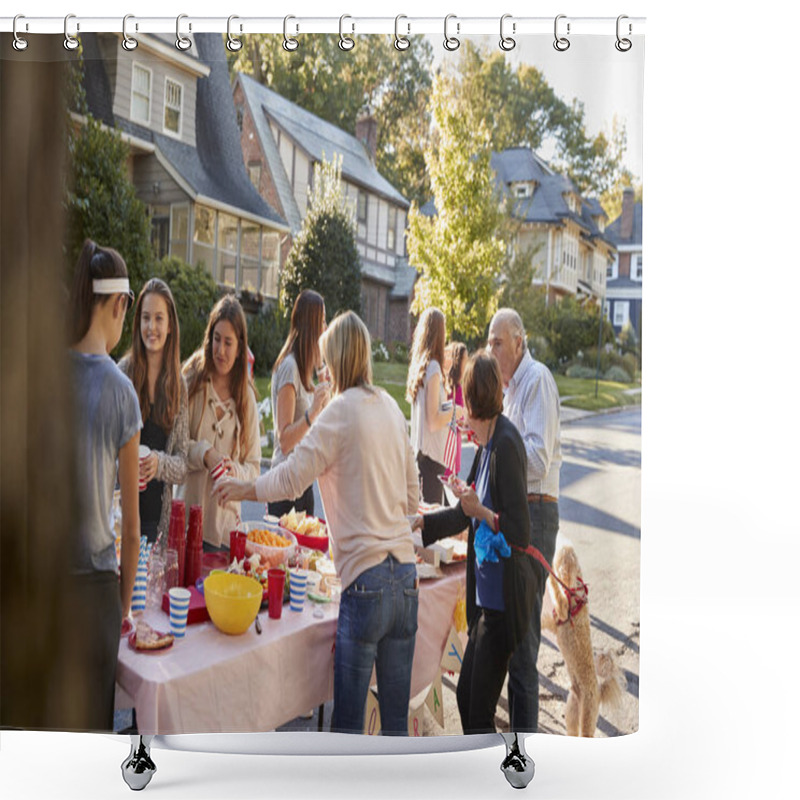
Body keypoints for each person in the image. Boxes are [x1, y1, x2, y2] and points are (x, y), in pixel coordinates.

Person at [213, 311, 419, 735]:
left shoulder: (340, 412)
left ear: (338, 360)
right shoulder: (393, 409)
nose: (323, 370)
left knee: (346, 729)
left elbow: (290, 476)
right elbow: (413, 498)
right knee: (395, 727)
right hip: (406, 579)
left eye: (326, 361)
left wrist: (241, 489)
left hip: (365, 580)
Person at [415, 351, 538, 734]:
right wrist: (421, 526)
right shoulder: (485, 445)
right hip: (484, 600)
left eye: (461, 395)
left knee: (477, 713)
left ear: (470, 396)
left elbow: (519, 530)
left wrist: (481, 510)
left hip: (504, 604)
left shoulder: (506, 444)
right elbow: (464, 512)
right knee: (466, 699)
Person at [68, 239, 142, 730]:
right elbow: (132, 529)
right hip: (93, 593)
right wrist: (121, 605)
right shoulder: (120, 391)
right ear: (118, 305)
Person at [487, 308, 562, 733]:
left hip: (535, 511)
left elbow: (537, 457)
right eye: (489, 342)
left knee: (524, 642)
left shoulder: (537, 381)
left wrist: (498, 453)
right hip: (517, 512)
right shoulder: (510, 389)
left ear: (519, 342)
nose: (491, 350)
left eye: (498, 342)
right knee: (512, 639)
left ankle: (526, 752)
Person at [178, 295, 260, 550]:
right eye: (216, 339)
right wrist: (205, 453)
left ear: (240, 348)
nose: (221, 350)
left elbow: (254, 467)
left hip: (224, 534)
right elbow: (175, 447)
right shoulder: (190, 379)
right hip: (184, 525)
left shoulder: (246, 397)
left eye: (228, 342)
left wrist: (234, 471)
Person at [119, 279, 188, 544]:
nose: (152, 327)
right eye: (146, 318)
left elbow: (182, 464)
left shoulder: (178, 385)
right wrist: (124, 467)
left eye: (159, 318)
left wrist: (158, 464)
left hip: (157, 523)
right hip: (121, 516)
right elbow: (105, 455)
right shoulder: (122, 374)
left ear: (170, 326)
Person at [268, 289, 330, 518]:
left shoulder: (305, 370)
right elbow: (284, 440)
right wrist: (312, 413)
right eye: (322, 321)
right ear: (310, 325)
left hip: (303, 483)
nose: (325, 327)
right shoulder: (289, 368)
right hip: (285, 488)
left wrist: (320, 366)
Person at [406, 307, 452, 504]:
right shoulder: (432, 368)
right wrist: (454, 411)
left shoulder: (421, 367)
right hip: (431, 460)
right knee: (430, 527)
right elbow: (433, 421)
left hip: (422, 458)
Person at [444, 341, 468, 477]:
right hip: (449, 446)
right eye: (465, 359)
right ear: (458, 362)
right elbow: (452, 417)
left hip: (456, 445)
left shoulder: (459, 387)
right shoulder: (453, 388)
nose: (467, 363)